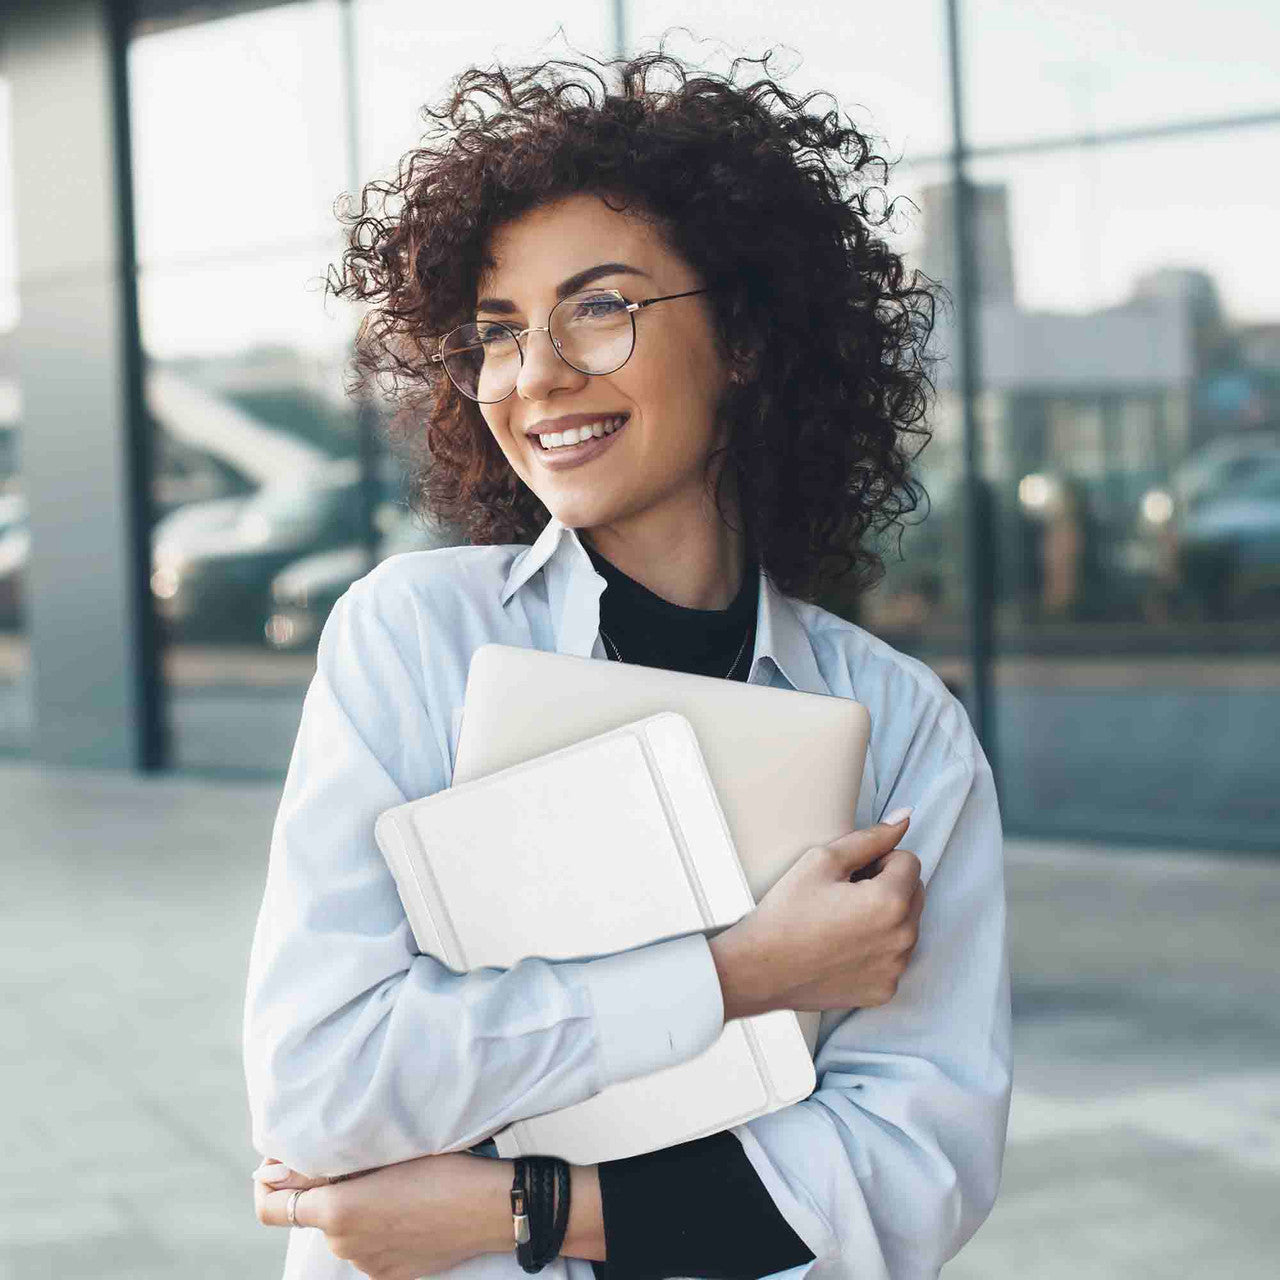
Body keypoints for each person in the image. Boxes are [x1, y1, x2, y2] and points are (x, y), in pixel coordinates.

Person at [244, 51, 1011, 1280]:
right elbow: (322, 1086)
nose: (534, 372)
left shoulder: (898, 725)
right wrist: (738, 973)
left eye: (598, 307)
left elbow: (914, 1166)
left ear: (746, 335)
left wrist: (518, 1207)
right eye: (497, 332)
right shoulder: (414, 639)